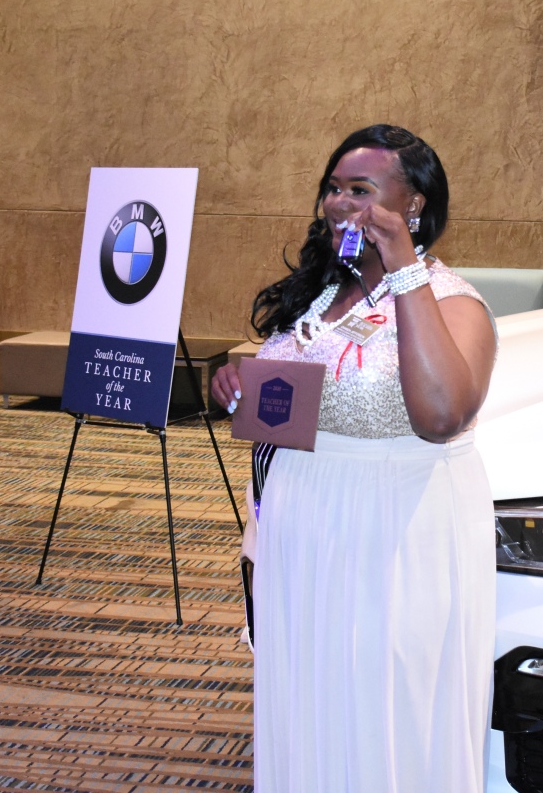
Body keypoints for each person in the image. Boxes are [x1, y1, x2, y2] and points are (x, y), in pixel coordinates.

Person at [210, 124, 497, 792]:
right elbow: (308, 393)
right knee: (312, 694)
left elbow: (441, 414)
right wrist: (240, 389)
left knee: (385, 704)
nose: (341, 203)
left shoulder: (454, 302)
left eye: (361, 190)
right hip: (306, 527)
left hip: (395, 532)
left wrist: (402, 266)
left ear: (414, 204)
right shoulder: (319, 293)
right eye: (333, 189)